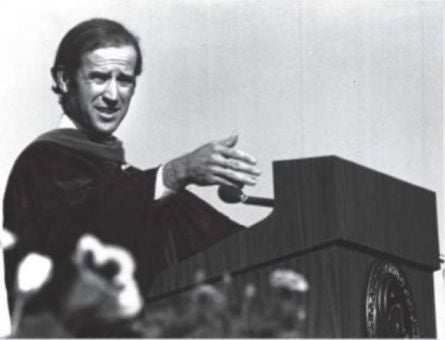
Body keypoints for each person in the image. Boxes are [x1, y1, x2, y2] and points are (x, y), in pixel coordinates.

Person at [2, 18, 260, 331]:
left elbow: (237, 248)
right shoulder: (42, 164)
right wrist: (178, 172)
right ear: (65, 79)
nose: (113, 95)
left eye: (124, 80)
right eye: (98, 77)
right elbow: (87, 242)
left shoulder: (131, 185)